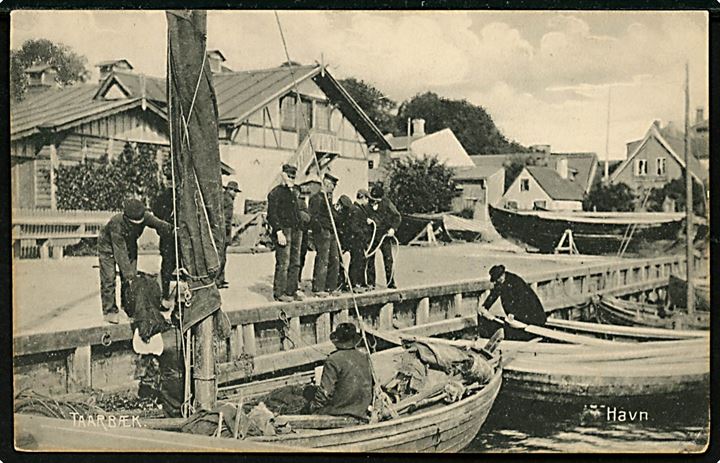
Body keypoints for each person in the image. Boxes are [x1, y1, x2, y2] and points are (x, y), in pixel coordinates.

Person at [97, 198, 173, 324]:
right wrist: (131, 276)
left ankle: (127, 308)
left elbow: (160, 224)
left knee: (129, 282)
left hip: (130, 244)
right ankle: (109, 311)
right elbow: (121, 255)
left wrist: (171, 230)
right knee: (109, 278)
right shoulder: (116, 224)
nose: (137, 226)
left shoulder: (145, 216)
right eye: (134, 224)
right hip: (108, 246)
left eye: (139, 224)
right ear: (127, 219)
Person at [308, 322, 373, 420]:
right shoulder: (364, 357)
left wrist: (314, 407)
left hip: (339, 411)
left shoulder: (333, 360)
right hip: (361, 409)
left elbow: (325, 392)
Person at [479, 264, 548, 341]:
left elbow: (521, 299)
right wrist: (485, 306)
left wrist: (513, 313)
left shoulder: (515, 281)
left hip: (530, 312)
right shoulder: (501, 282)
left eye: (496, 280)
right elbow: (495, 293)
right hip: (519, 313)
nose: (495, 282)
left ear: (501, 276)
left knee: (521, 328)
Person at [267, 164, 303, 302]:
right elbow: (272, 214)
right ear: (283, 175)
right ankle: (279, 292)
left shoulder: (293, 193)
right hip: (284, 230)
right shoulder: (275, 193)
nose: (291, 179)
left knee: (295, 262)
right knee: (284, 262)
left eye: (293, 177)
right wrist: (278, 231)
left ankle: (291, 290)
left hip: (296, 230)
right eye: (289, 176)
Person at [309, 172, 340, 297]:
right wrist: (322, 230)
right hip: (322, 233)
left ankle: (331, 287)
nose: (333, 188)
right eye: (332, 186)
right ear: (326, 184)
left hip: (331, 232)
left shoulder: (328, 200)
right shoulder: (316, 199)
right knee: (323, 259)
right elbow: (314, 218)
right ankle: (318, 287)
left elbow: (334, 215)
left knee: (335, 259)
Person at [366, 184, 401, 289]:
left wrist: (393, 229)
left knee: (388, 258)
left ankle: (390, 282)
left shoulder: (387, 204)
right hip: (372, 235)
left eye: (377, 199)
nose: (374, 202)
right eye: (373, 199)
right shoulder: (368, 204)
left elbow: (397, 216)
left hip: (384, 235)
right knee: (370, 259)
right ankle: (371, 283)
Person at [151, 186, 175, 301]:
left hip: (170, 235)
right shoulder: (166, 196)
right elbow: (156, 210)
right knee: (168, 265)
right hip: (169, 235)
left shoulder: (164, 195)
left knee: (167, 266)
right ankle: (164, 294)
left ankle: (164, 293)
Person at [216, 180, 241, 289]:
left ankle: (220, 280)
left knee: (222, 257)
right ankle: (217, 281)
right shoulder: (226, 200)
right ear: (229, 190)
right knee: (221, 258)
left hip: (223, 233)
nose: (235, 193)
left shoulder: (225, 198)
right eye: (234, 191)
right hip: (222, 233)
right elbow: (224, 219)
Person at [348, 189, 373, 290]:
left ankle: (361, 283)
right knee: (356, 261)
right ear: (362, 197)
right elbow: (354, 227)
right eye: (367, 198)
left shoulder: (359, 209)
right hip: (356, 240)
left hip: (359, 240)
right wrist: (363, 234)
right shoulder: (355, 209)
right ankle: (354, 284)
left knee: (361, 261)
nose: (367, 201)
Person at [335, 194, 354, 291]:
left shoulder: (346, 216)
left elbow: (346, 230)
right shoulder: (334, 213)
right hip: (336, 241)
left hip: (343, 242)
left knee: (343, 262)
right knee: (336, 262)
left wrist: (346, 246)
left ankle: (343, 282)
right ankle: (339, 283)